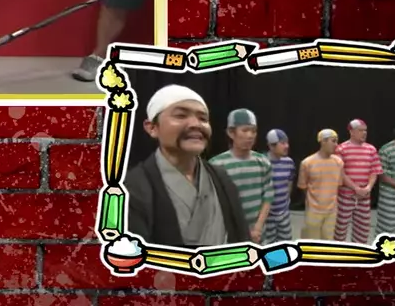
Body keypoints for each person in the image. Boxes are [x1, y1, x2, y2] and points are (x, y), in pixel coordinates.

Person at [126, 85, 250, 247]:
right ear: (152, 128)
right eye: (181, 115)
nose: (196, 124)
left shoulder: (221, 178)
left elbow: (242, 237)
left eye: (203, 119)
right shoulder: (132, 189)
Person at [208, 109, 275, 243]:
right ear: (231, 133)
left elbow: (268, 197)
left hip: (258, 234)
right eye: (245, 130)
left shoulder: (263, 162)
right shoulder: (216, 165)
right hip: (228, 235)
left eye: (253, 131)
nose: (250, 135)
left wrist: (257, 228)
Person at [335, 119, 383, 243]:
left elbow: (375, 171)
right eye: (360, 130)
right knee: (340, 230)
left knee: (363, 230)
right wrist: (355, 188)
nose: (364, 133)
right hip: (345, 197)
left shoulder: (371, 149)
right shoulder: (341, 149)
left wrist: (368, 188)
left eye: (365, 130)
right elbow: (340, 173)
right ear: (351, 132)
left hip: (364, 197)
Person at [298, 129, 344, 240]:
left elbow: (338, 185)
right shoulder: (307, 163)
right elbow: (303, 186)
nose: (336, 145)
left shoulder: (338, 162)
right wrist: (313, 201)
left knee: (327, 242)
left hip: (331, 211)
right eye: (333, 141)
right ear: (323, 141)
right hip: (313, 211)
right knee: (311, 242)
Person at [263, 129, 296, 244]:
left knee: (286, 243)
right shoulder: (262, 162)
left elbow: (289, 183)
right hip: (267, 215)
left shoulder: (289, 162)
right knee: (269, 245)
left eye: (287, 142)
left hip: (283, 212)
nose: (287, 146)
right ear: (271, 146)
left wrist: (286, 201)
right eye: (282, 143)